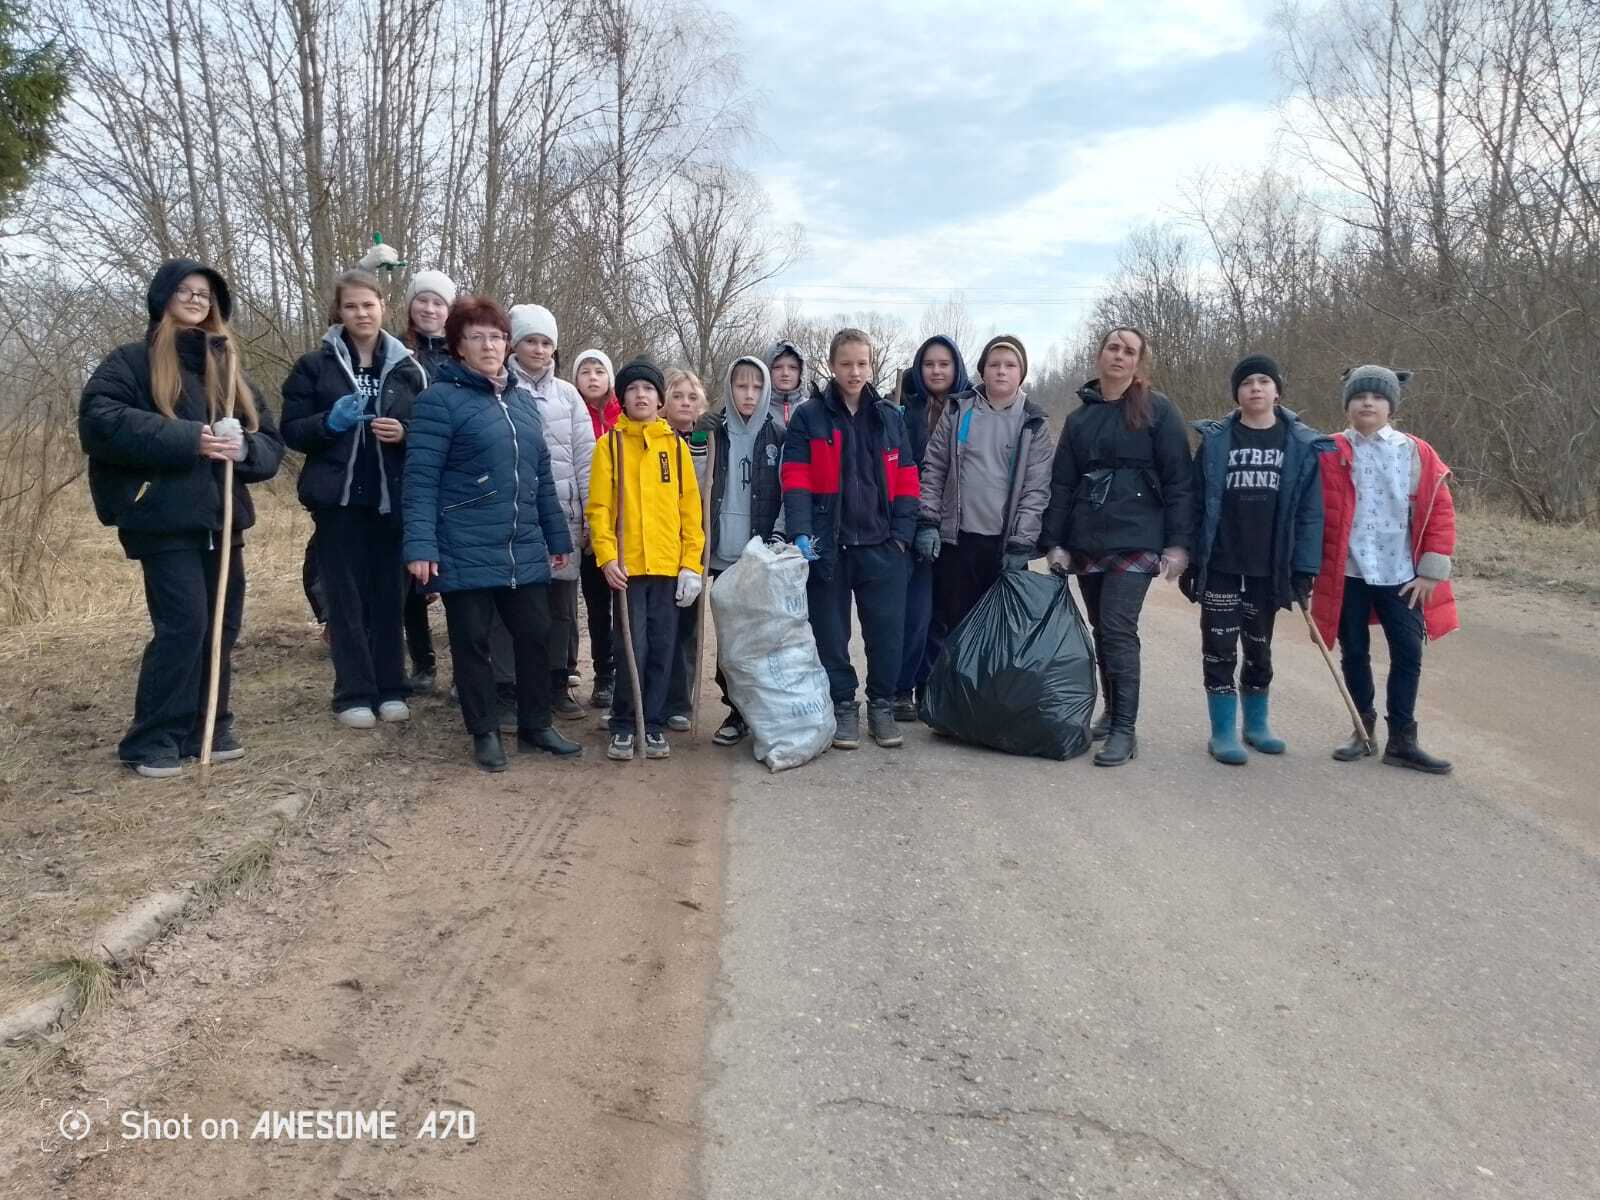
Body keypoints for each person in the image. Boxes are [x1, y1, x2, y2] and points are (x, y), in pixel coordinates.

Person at [79, 259, 285, 777]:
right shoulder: (132, 362)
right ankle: (152, 737)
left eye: (205, 294)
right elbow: (100, 421)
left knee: (223, 624)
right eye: (186, 291)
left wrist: (245, 450)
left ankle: (207, 724)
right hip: (164, 517)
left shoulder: (229, 366)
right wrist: (189, 439)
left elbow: (271, 444)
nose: (196, 300)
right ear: (164, 298)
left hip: (224, 520)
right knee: (185, 624)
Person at [402, 296, 581, 772]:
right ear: (458, 346)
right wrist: (421, 545)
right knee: (473, 642)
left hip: (522, 544)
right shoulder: (439, 401)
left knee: (536, 634)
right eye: (476, 336)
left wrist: (557, 538)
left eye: (497, 336)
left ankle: (535, 724)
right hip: (463, 542)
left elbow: (540, 475)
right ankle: (484, 732)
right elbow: (420, 478)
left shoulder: (521, 403)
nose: (489, 345)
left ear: (507, 344)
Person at [1041, 326, 1194, 767]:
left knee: (1118, 626)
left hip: (1139, 537)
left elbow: (1179, 480)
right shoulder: (1079, 419)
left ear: (1138, 362)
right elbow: (1063, 484)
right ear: (1099, 355)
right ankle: (1110, 715)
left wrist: (1179, 544)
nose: (1119, 356)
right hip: (1088, 538)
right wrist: (1054, 542)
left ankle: (1126, 729)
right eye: (1113, 347)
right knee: (1101, 629)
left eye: (1129, 351)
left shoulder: (1158, 411)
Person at [281, 268, 424, 727]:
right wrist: (330, 424)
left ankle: (391, 687)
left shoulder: (407, 368)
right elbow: (290, 430)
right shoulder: (314, 366)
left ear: (384, 307)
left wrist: (405, 433)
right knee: (345, 599)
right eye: (351, 306)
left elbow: (430, 429)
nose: (361, 313)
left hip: (391, 498)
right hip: (337, 502)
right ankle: (353, 693)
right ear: (338, 312)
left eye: (369, 304)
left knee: (389, 597)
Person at [1183, 354, 1330, 764]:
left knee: (1259, 647)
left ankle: (1257, 724)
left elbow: (1310, 512)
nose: (1255, 388)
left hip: (1269, 567)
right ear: (1237, 393)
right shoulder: (1215, 443)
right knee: (1219, 647)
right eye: (1247, 382)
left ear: (1277, 390)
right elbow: (1196, 503)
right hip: (1223, 564)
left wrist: (1304, 568)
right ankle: (1223, 732)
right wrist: (1194, 559)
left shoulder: (1299, 445)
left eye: (1264, 381)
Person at [1309, 365, 1457, 773]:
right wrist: (1305, 566)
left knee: (1407, 654)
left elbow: (1440, 513)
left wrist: (1430, 571)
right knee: (1354, 651)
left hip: (1402, 575)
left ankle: (1403, 740)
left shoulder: (1416, 451)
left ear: (1391, 405)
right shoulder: (1329, 449)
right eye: (1359, 397)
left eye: (1376, 397)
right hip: (1349, 572)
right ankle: (1362, 729)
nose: (1368, 403)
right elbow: (1309, 512)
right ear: (1348, 405)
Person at [782, 328, 918, 750]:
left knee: (886, 632)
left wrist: (901, 536)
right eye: (846, 364)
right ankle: (843, 704)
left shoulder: (890, 417)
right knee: (830, 632)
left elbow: (909, 479)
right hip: (830, 546)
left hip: (883, 546)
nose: (854, 371)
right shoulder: (810, 416)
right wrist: (802, 532)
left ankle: (880, 704)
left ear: (871, 365)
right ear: (832, 366)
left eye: (862, 363)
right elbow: (797, 478)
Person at [586, 358, 705, 760]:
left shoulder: (673, 446)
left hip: (668, 568)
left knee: (662, 645)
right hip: (628, 569)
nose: (641, 395)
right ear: (623, 397)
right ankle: (624, 722)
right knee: (630, 646)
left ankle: (652, 723)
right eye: (634, 389)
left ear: (660, 400)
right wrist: (606, 556)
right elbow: (599, 509)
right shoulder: (610, 446)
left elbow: (691, 509)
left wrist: (691, 563)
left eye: (649, 390)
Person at [916, 335, 1053, 633]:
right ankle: (950, 681)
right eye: (994, 364)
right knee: (953, 627)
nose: (1001, 371)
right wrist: (928, 520)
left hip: (1003, 548)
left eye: (1010, 365)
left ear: (1021, 372)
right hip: (958, 543)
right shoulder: (958, 411)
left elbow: (1036, 489)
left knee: (1001, 632)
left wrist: (1022, 542)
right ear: (983, 370)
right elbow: (934, 468)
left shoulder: (1034, 422)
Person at [503, 303, 594, 722]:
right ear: (515, 344)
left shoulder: (569, 394)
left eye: (546, 343)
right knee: (520, 605)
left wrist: (591, 515)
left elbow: (585, 458)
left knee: (561, 607)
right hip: (517, 519)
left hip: (565, 515)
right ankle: (519, 685)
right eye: (530, 341)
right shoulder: (501, 387)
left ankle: (558, 682)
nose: (539, 350)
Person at [694, 356, 786, 747]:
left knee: (757, 638)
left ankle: (757, 710)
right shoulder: (717, 432)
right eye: (740, 386)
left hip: (756, 553)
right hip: (720, 551)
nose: (748, 394)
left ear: (766, 391)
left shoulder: (778, 435)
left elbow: (788, 490)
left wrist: (779, 534)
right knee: (727, 640)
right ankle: (734, 707)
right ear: (729, 389)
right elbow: (696, 481)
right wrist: (699, 439)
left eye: (756, 387)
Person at [894, 335, 971, 721]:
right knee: (916, 613)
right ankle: (903, 687)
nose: (937, 371)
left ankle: (936, 687)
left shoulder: (970, 410)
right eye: (929, 364)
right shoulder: (906, 411)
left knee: (948, 613)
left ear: (956, 367)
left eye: (944, 364)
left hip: (960, 527)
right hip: (915, 525)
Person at [396, 268, 458, 693]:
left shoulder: (458, 356)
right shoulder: (396, 353)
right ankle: (422, 661)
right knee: (411, 575)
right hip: (406, 471)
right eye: (423, 301)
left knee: (454, 575)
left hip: (452, 476)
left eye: (438, 303)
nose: (430, 309)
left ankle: (464, 669)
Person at [663, 368, 711, 732]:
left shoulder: (706, 441)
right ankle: (644, 694)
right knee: (651, 624)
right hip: (655, 543)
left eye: (692, 398)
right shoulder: (654, 436)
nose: (684, 403)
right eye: (678, 395)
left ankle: (680, 699)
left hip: (691, 544)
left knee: (686, 626)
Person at [573, 348, 621, 710]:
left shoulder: (626, 415)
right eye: (585, 371)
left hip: (627, 530)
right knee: (596, 606)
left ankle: (624, 673)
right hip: (589, 527)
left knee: (625, 607)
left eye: (599, 371)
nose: (592, 377)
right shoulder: (572, 414)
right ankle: (603, 675)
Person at [766, 339, 808, 422]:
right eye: (778, 367)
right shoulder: (758, 410)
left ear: (801, 372)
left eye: (793, 368)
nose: (785, 373)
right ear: (768, 371)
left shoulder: (812, 410)